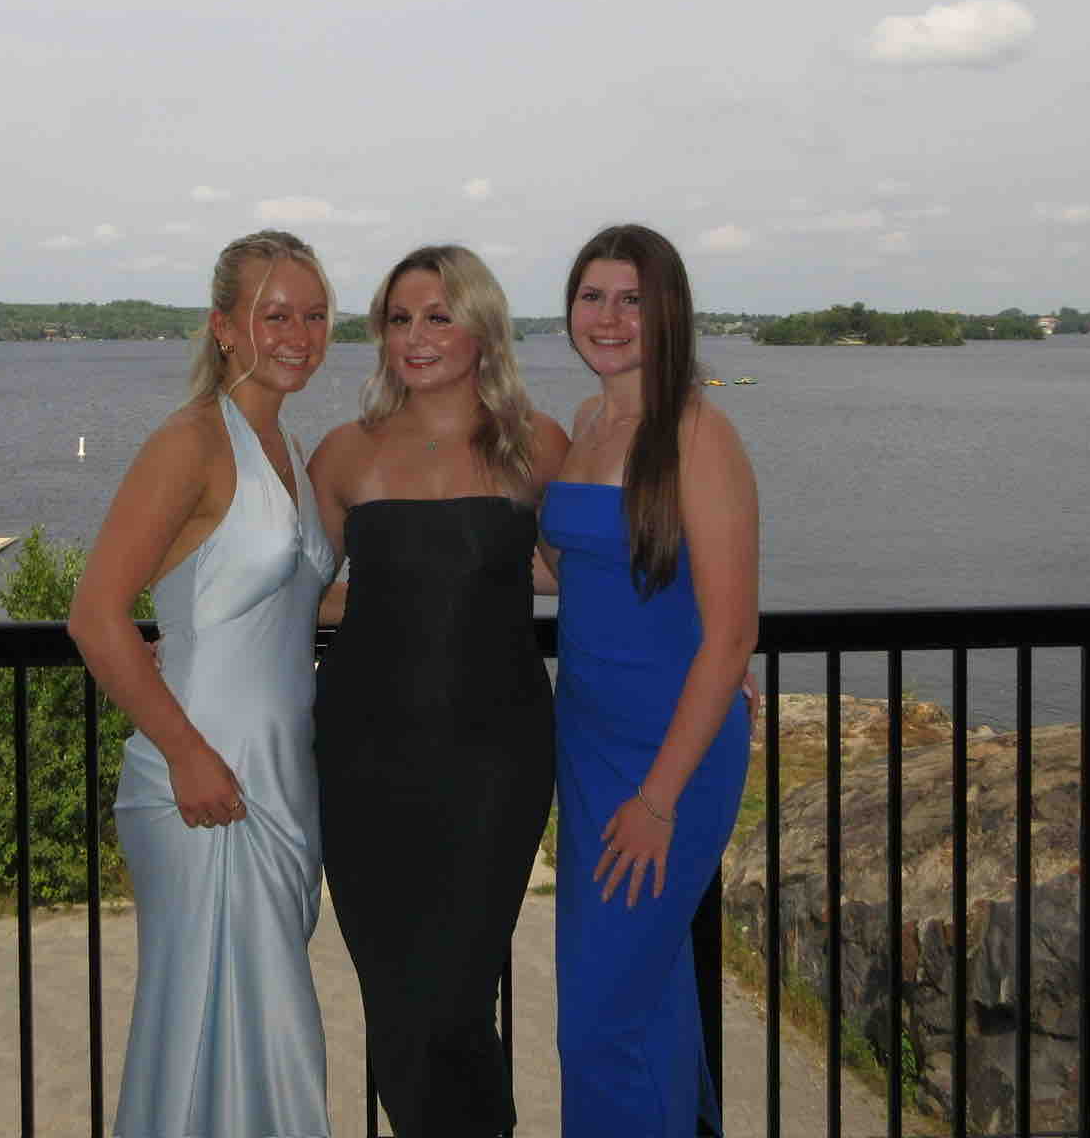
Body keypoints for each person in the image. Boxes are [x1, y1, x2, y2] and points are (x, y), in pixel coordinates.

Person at [66, 230, 338, 1137]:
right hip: (203, 780)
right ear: (224, 326)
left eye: (314, 316)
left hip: (281, 777)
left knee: (258, 1033)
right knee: (212, 1032)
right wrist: (185, 754)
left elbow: (290, 600)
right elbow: (96, 615)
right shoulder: (189, 442)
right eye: (274, 315)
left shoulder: (286, 445)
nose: (298, 335)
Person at [307, 244, 569, 1137]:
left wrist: (704, 655)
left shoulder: (536, 443)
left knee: (450, 1001)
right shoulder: (343, 453)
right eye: (399, 319)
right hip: (363, 759)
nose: (415, 337)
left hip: (495, 761)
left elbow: (591, 577)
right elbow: (312, 590)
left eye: (438, 316)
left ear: (482, 328)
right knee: (395, 1000)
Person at [540, 223, 757, 1135]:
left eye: (632, 299)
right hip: (589, 744)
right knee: (650, 999)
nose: (609, 317)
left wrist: (660, 801)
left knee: (598, 1023)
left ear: (669, 312)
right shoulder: (588, 423)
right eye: (593, 296)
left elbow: (731, 635)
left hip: (670, 758)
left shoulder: (699, 435)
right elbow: (569, 567)